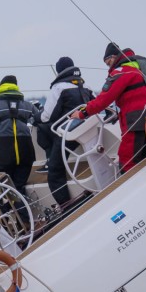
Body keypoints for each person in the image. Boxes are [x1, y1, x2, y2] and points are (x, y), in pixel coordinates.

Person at [73, 43, 146, 173]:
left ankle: (129, 190)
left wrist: (82, 113)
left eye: (108, 63)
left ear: (114, 57)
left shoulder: (120, 72)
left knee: (127, 160)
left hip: (133, 122)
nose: (109, 66)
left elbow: (103, 100)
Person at [39, 56, 94, 206]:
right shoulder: (86, 86)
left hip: (69, 134)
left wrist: (36, 116)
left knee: (55, 170)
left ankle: (66, 205)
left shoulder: (59, 87)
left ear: (59, 71)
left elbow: (46, 117)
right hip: (90, 129)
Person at [0, 75, 40, 194]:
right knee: (19, 186)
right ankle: (24, 211)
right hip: (25, 151)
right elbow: (38, 121)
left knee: (3, 189)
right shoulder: (28, 106)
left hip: (3, 153)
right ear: (16, 87)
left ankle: (9, 211)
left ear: (1, 87)